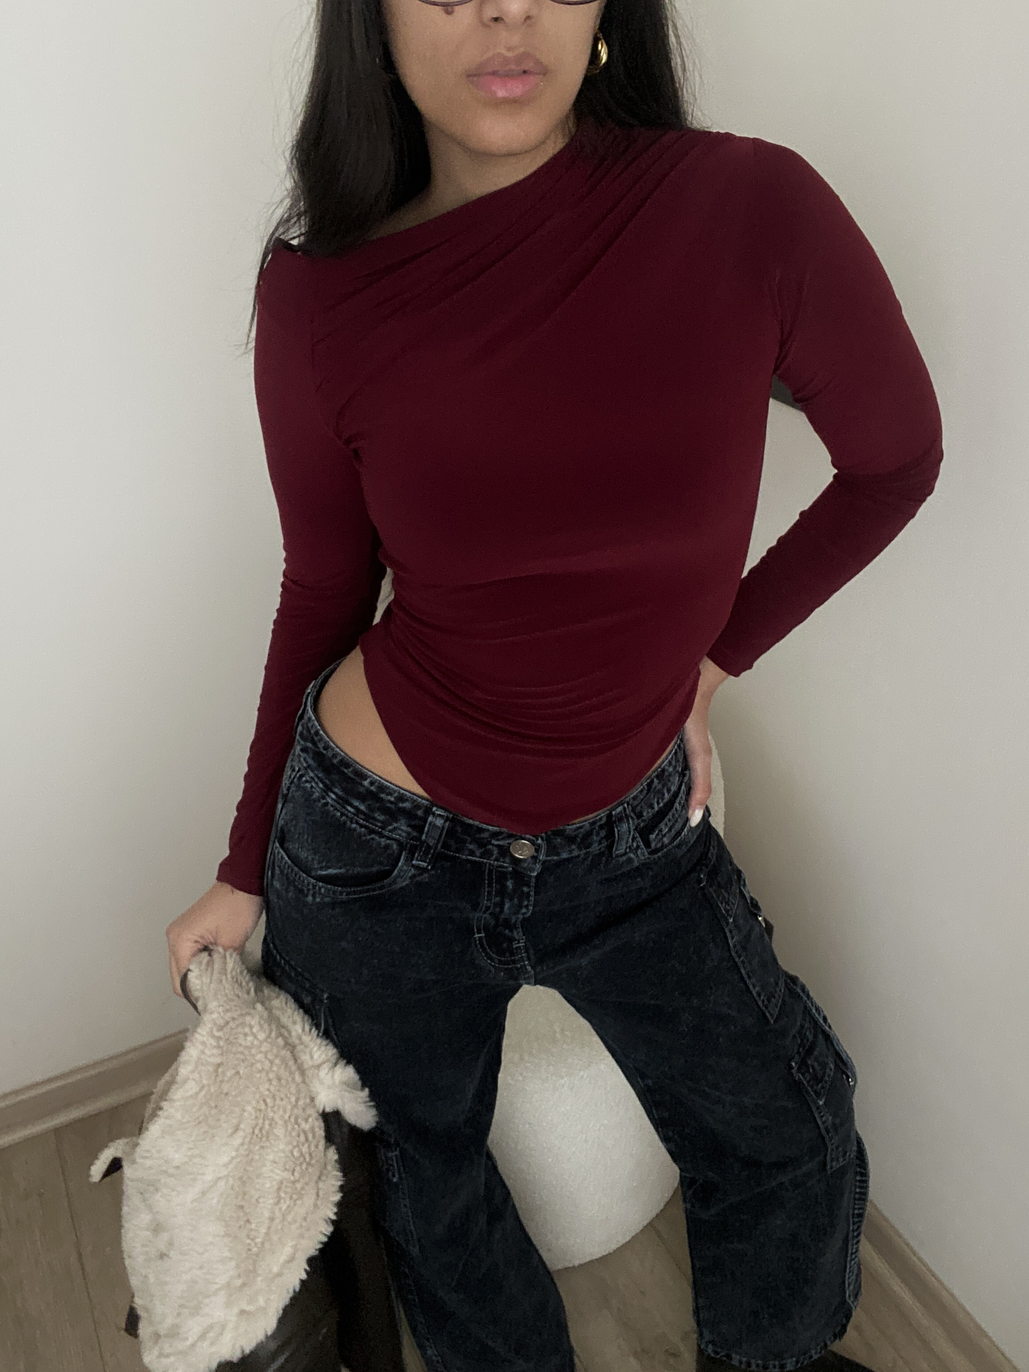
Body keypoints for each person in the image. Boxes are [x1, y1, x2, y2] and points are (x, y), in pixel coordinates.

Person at [166, 0, 944, 1367]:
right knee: (428, 1190)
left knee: (787, 1129)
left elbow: (895, 460)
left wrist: (717, 657)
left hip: (635, 833)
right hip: (379, 850)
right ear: (373, 23)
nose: (505, 10)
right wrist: (242, 867)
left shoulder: (751, 211)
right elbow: (325, 592)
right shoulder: (320, 297)